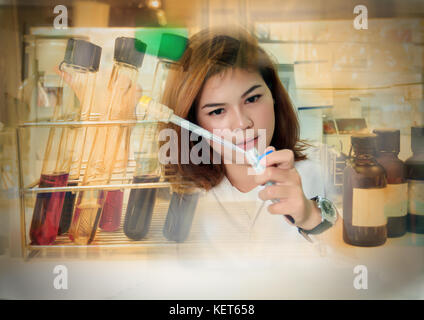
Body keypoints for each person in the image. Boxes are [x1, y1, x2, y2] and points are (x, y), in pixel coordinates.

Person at [160, 26, 342, 248]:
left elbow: (363, 261)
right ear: (194, 123)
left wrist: (310, 216)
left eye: (253, 99)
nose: (242, 123)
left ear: (273, 95)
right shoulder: (182, 193)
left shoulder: (321, 166)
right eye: (217, 111)